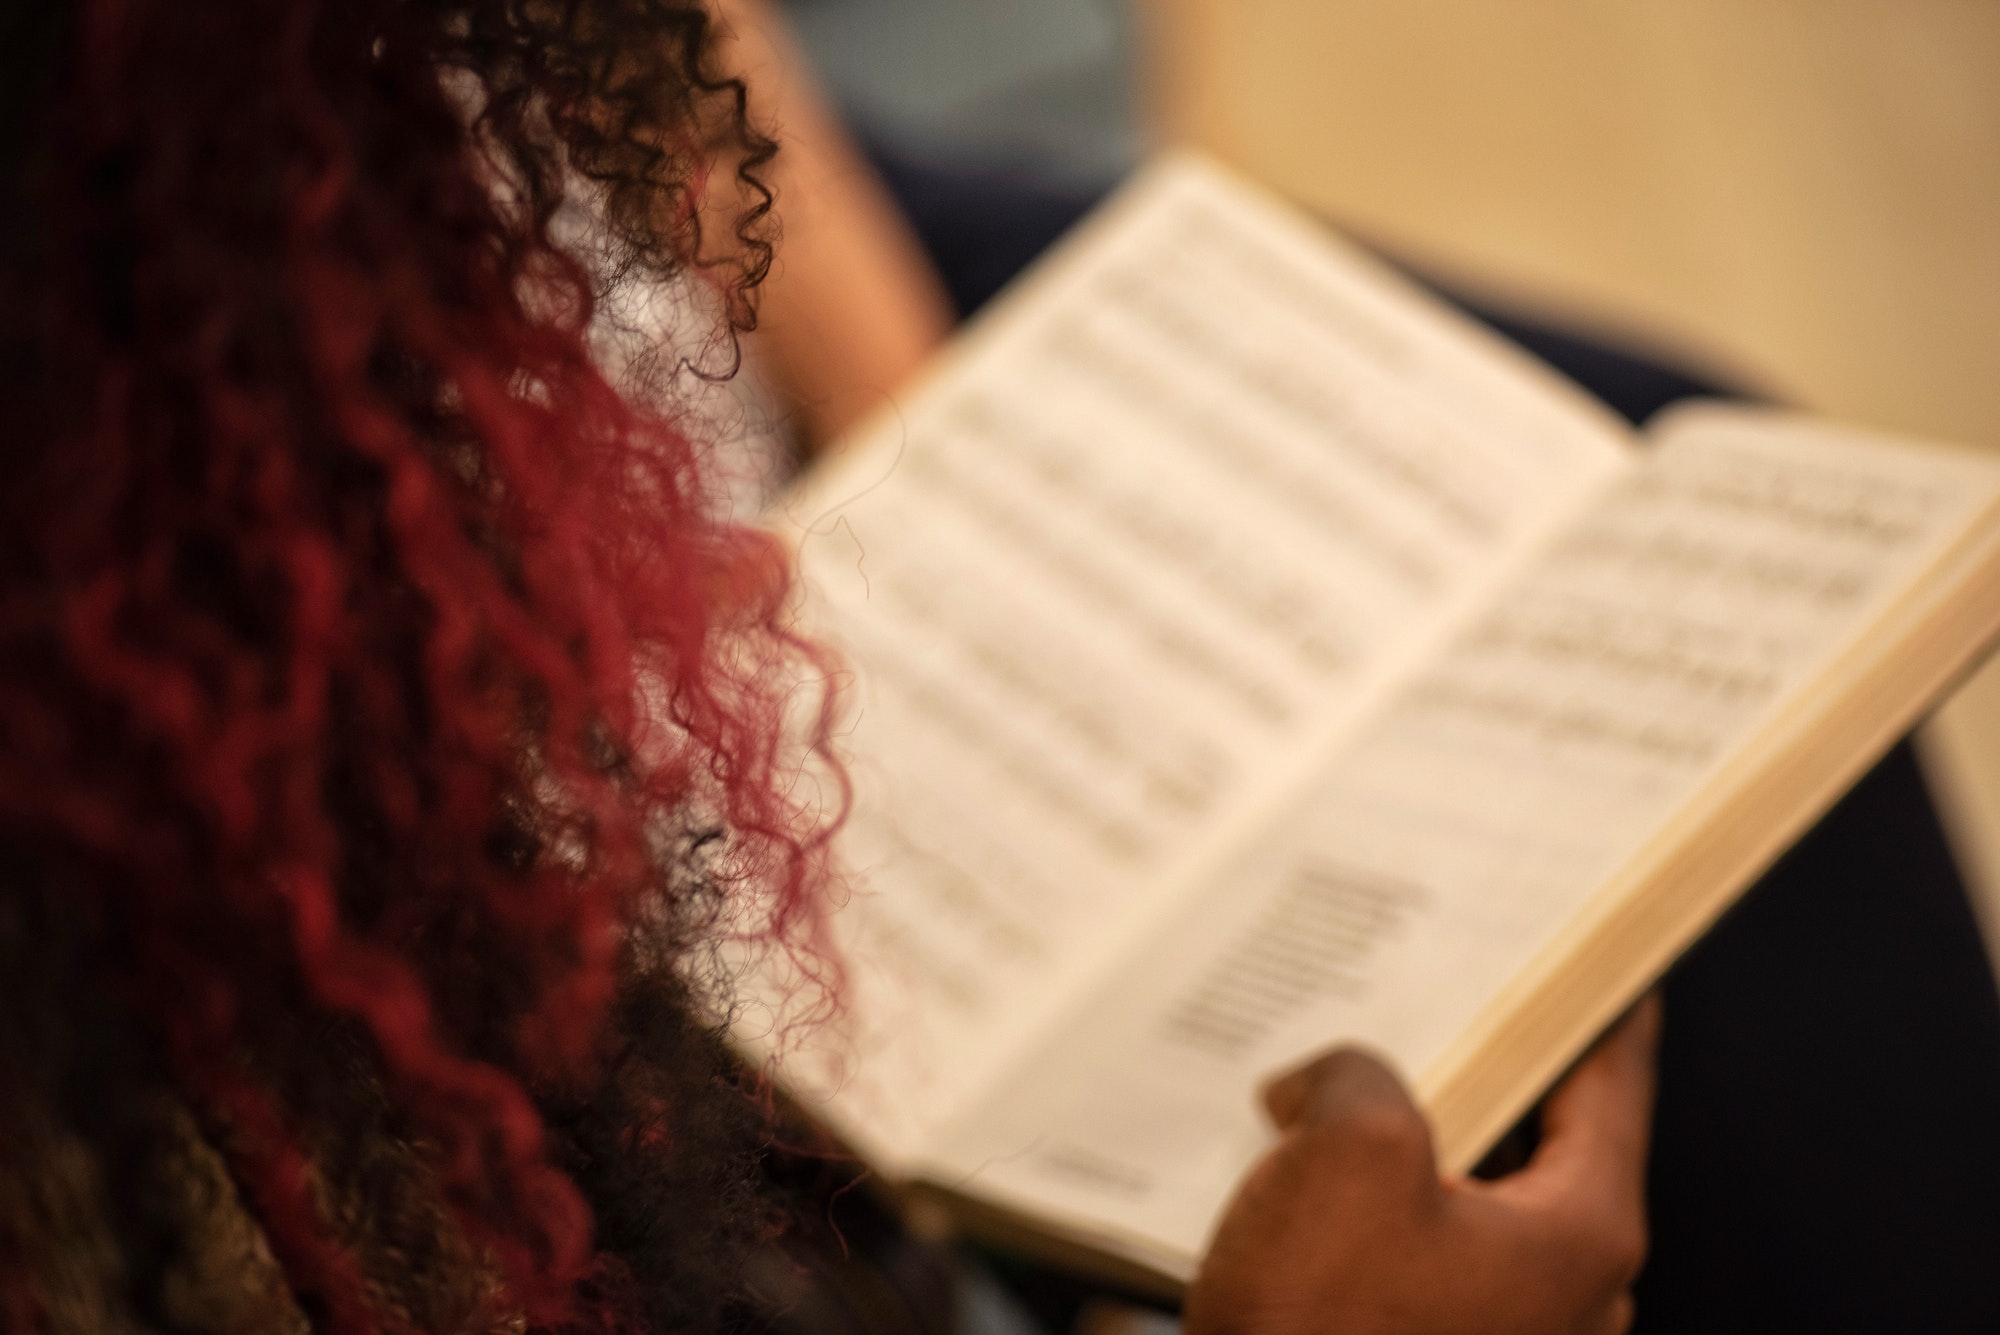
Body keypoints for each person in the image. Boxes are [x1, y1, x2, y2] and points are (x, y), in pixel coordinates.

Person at [0, 0, 1672, 1331]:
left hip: (656, 798)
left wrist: (949, 479)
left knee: (1651, 499)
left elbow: (704, 77)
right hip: (626, 979)